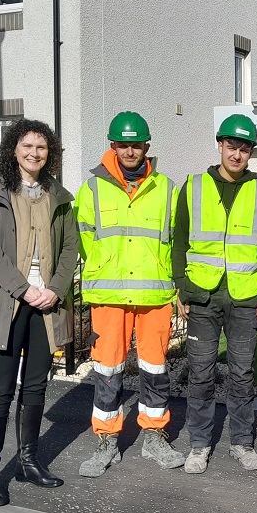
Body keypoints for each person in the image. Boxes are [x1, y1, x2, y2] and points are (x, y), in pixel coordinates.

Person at [0, 119, 79, 507]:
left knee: (36, 387)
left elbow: (69, 250)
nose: (34, 153)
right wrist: (24, 290)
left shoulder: (59, 196)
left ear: (51, 154)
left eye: (42, 148)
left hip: (46, 304)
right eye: (27, 146)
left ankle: (28, 463)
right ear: (13, 149)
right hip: (6, 302)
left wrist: (54, 290)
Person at [75, 111, 184, 478]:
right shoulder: (91, 190)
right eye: (123, 144)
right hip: (109, 296)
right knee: (108, 369)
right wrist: (106, 270)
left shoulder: (167, 189)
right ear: (113, 146)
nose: (130, 150)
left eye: (136, 144)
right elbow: (85, 240)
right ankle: (107, 441)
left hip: (154, 296)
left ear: (146, 146)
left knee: (155, 368)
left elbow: (175, 242)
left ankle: (154, 435)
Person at [174, 113, 257, 473]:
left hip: (245, 296)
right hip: (202, 295)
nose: (237, 154)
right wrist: (181, 288)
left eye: (244, 148)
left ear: (251, 152)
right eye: (231, 146)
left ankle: (242, 442)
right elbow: (180, 239)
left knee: (242, 373)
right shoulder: (193, 186)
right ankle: (199, 444)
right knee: (200, 372)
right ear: (220, 144)